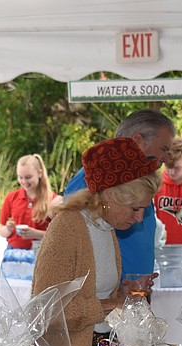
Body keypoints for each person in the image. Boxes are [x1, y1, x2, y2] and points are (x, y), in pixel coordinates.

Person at [33, 137, 161, 346]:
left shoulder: (105, 225)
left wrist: (125, 290)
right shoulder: (67, 227)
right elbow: (45, 310)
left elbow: (92, 290)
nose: (139, 218)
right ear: (110, 194)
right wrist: (113, 303)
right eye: (135, 208)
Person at [63, 109, 175, 278]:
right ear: (138, 141)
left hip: (130, 295)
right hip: (107, 298)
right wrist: (117, 292)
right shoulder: (92, 180)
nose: (167, 158)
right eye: (163, 149)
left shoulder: (140, 182)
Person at [0, 154, 62, 249]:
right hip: (13, 251)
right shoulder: (11, 197)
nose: (24, 181)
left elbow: (59, 236)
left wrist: (36, 234)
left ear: (39, 173)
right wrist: (8, 229)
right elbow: (1, 229)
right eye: (20, 177)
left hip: (41, 252)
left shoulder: (53, 201)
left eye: (28, 177)